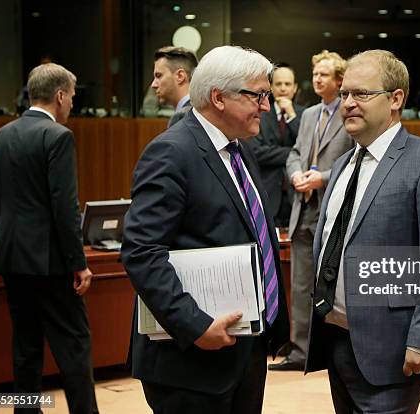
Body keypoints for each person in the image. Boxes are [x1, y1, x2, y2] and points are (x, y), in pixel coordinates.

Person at [121, 45, 290, 414]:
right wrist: (195, 325)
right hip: (190, 361)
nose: (266, 105)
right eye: (258, 95)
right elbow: (141, 251)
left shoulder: (240, 151)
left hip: (243, 348)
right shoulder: (170, 152)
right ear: (218, 97)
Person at [305, 50, 420, 413]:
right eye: (344, 94)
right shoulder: (345, 162)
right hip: (338, 338)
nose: (347, 103)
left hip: (394, 347)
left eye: (361, 94)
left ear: (395, 99)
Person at [0, 63, 98, 414]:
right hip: (51, 261)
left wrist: (16, 226)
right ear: (60, 95)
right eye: (73, 96)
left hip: (13, 257)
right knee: (74, 345)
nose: (73, 103)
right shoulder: (58, 137)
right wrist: (78, 262)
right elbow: (64, 207)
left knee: (26, 345)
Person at [269, 51, 354, 371]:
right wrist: (295, 174)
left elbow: (353, 161)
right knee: (300, 286)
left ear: (339, 80)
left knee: (331, 286)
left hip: (331, 210)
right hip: (302, 209)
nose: (317, 79)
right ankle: (300, 352)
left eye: (324, 75)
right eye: (315, 74)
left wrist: (323, 178)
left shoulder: (350, 113)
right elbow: (294, 153)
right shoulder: (308, 114)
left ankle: (330, 352)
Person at [247, 64, 306, 227]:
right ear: (271, 87)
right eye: (278, 84)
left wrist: (292, 116)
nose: (283, 88)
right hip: (268, 193)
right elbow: (256, 152)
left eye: (287, 84)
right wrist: (294, 153)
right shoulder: (260, 114)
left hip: (296, 194)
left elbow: (307, 148)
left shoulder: (305, 115)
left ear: (295, 88)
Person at [151, 46, 198, 127]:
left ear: (180, 76)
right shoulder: (201, 111)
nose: (153, 85)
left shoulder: (183, 116)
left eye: (159, 76)